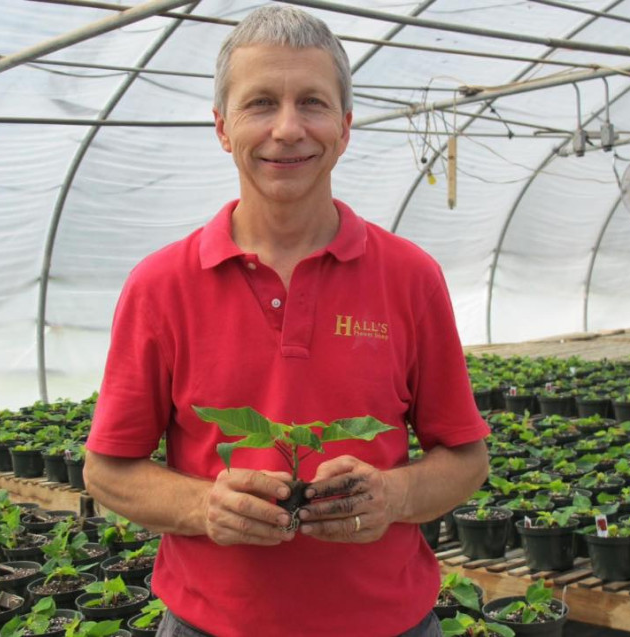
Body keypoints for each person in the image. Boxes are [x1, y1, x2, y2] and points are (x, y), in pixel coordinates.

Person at [84, 5, 490, 637]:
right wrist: (205, 506)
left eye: (313, 103)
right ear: (222, 127)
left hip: (388, 623)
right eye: (260, 104)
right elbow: (107, 469)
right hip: (211, 625)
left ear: (346, 126)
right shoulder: (161, 286)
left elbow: (466, 458)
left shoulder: (410, 276)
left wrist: (395, 496)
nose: (288, 129)